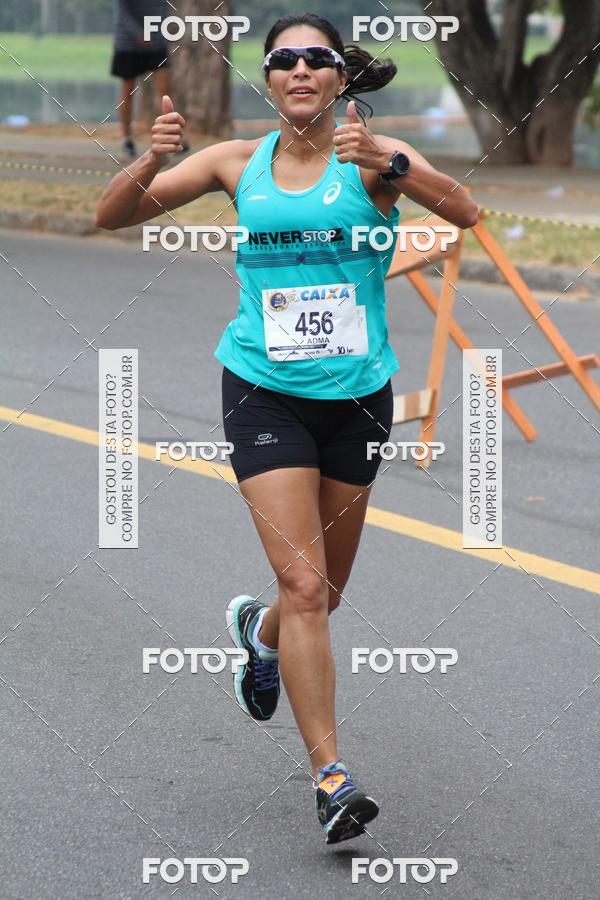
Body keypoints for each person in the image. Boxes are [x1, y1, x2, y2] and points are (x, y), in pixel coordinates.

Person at [95, 12, 478, 844]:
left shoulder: (372, 159)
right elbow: (111, 216)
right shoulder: (236, 163)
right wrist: (151, 160)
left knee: (323, 596)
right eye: (283, 60)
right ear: (266, 78)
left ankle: (257, 634)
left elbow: (468, 211)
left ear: (340, 76)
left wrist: (395, 166)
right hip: (263, 393)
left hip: (358, 399)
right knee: (305, 586)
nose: (300, 69)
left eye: (316, 58)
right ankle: (332, 779)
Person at [110, 0, 188, 158]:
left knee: (165, 89)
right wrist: (139, 34)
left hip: (156, 43)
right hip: (128, 44)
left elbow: (162, 11)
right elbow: (123, 13)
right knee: (128, 94)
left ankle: (172, 137)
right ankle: (127, 140)